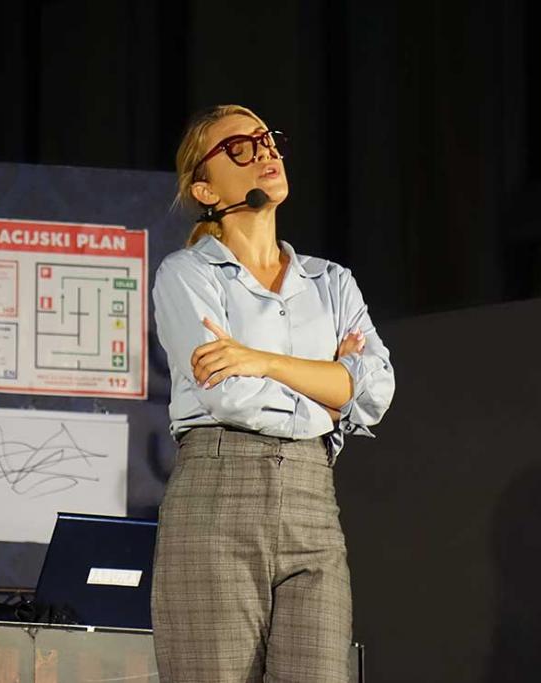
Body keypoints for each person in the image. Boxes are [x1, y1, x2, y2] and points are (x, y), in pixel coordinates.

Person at [150, 104, 396, 682]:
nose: (264, 152)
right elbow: (230, 395)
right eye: (239, 148)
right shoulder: (188, 274)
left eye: (267, 140)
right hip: (218, 493)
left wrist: (261, 360)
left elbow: (376, 391)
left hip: (313, 500)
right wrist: (329, 386)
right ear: (206, 189)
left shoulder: (331, 282)